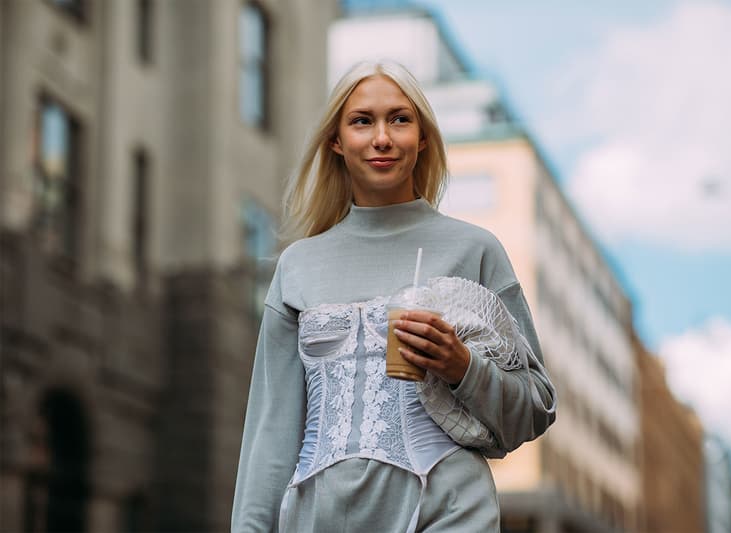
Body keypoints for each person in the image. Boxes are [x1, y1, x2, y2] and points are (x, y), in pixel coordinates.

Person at [231, 60, 557, 533]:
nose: (382, 137)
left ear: (422, 137)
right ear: (336, 142)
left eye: (400, 119)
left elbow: (536, 408)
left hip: (449, 511)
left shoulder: (475, 249)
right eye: (362, 121)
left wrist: (462, 366)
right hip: (319, 518)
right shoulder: (298, 265)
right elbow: (270, 434)